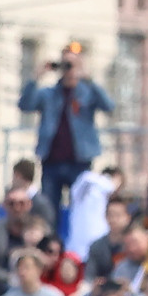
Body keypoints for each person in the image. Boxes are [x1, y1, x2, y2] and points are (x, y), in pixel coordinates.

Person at [18, 45, 111, 226]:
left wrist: (88, 78)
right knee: (49, 211)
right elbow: (25, 105)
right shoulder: (49, 93)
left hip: (79, 160)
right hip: (51, 160)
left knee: (82, 208)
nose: (68, 70)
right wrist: (36, 77)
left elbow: (108, 105)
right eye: (66, 64)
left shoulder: (87, 92)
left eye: (72, 65)